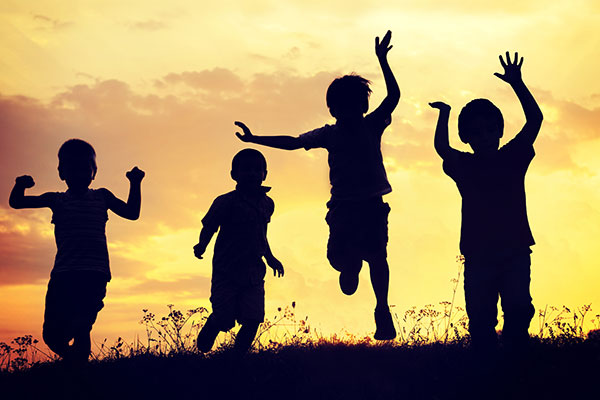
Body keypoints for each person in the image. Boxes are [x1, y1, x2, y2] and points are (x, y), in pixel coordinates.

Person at [234, 30, 400, 340]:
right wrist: (254, 138)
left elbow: (392, 98)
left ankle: (382, 308)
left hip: (372, 206)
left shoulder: (371, 125)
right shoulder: (328, 134)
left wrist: (383, 61)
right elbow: (294, 142)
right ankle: (349, 266)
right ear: (333, 111)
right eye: (343, 108)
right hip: (342, 209)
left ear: (363, 108)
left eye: (355, 106)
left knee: (378, 255)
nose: (349, 113)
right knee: (338, 259)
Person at [430, 52, 543, 355]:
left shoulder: (513, 156)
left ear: (499, 130)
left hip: (515, 251)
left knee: (519, 309)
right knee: (480, 318)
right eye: (476, 132)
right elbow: (442, 147)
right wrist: (444, 113)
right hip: (479, 254)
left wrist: (517, 84)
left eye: (490, 130)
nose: (484, 136)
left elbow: (535, 119)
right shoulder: (465, 166)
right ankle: (486, 366)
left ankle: (516, 362)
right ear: (466, 137)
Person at [9, 138, 145, 364]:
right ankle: (76, 362)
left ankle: (80, 369)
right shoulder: (56, 200)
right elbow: (17, 203)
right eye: (72, 168)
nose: (79, 173)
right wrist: (19, 184)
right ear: (61, 172)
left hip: (94, 273)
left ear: (94, 172)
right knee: (52, 335)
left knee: (82, 326)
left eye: (85, 168)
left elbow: (132, 212)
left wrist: (135, 182)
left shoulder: (102, 196)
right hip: (63, 275)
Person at [193, 148, 284, 353]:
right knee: (224, 316)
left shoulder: (267, 203)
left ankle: (238, 357)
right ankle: (213, 324)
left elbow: (262, 234)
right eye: (246, 169)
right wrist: (202, 245)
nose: (252, 173)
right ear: (234, 174)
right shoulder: (225, 201)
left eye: (256, 169)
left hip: (253, 272)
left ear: (264, 174)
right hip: (227, 271)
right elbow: (209, 226)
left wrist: (270, 257)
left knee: (253, 318)